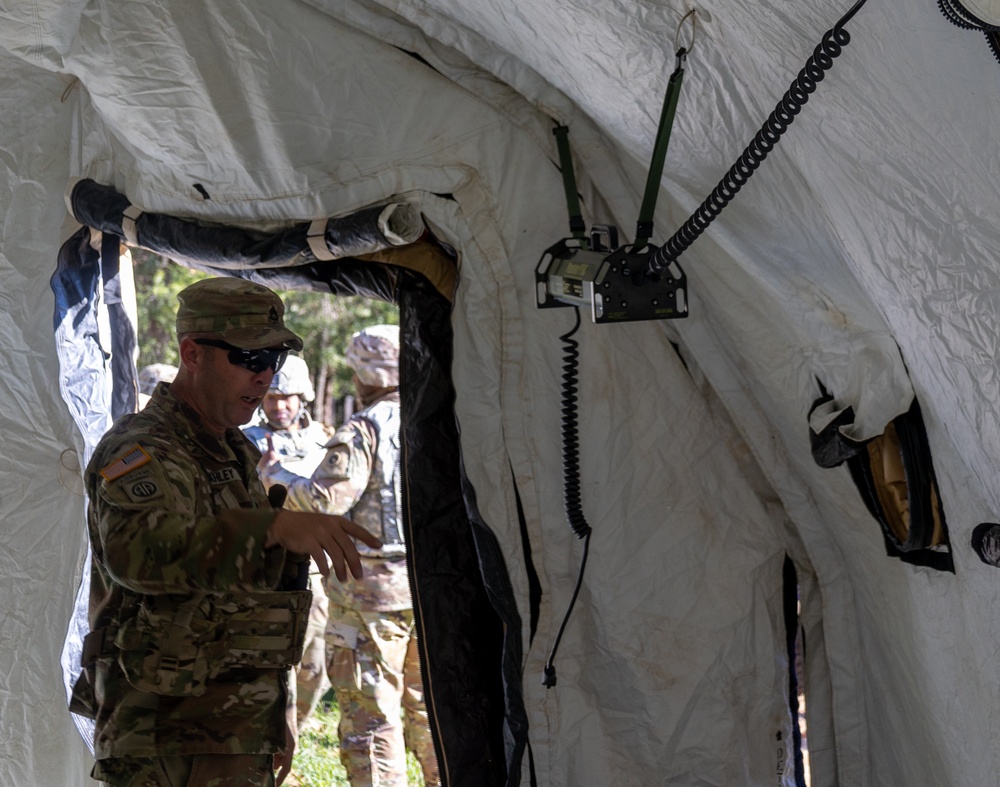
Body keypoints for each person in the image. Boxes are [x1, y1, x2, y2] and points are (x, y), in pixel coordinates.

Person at [76, 277, 381, 787]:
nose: (265, 377)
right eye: (248, 358)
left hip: (232, 725)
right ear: (192, 353)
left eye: (273, 361)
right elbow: (141, 556)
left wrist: (270, 711)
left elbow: (246, 597)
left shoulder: (230, 447)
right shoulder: (144, 447)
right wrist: (273, 526)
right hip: (165, 735)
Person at [259, 324, 440, 787]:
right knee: (431, 710)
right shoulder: (439, 417)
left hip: (370, 601)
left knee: (371, 718)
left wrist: (274, 475)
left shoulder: (365, 428)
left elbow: (323, 501)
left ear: (367, 372)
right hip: (434, 588)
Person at [243, 355, 333, 726]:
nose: (279, 406)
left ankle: (299, 730)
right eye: (271, 398)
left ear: (303, 398)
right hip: (270, 570)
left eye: (288, 398)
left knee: (316, 665)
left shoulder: (324, 440)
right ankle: (277, 733)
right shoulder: (246, 441)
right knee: (276, 659)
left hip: (317, 572)